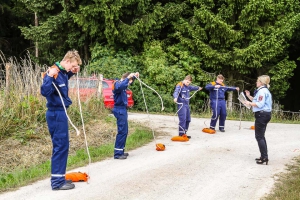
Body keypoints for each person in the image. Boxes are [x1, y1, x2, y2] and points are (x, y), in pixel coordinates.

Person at [41, 50, 82, 190]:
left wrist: (73, 71)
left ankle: (60, 178)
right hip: (56, 114)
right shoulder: (53, 72)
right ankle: (57, 183)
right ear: (67, 61)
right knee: (60, 146)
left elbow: (65, 76)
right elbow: (44, 92)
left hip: (61, 113)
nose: (72, 68)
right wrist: (49, 77)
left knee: (63, 146)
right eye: (73, 65)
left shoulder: (63, 72)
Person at [244, 75, 272, 165]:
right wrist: (249, 97)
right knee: (261, 136)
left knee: (259, 137)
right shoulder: (263, 91)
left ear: (261, 82)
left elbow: (259, 104)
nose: (256, 82)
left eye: (257, 81)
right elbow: (257, 100)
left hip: (262, 114)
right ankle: (263, 155)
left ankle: (264, 157)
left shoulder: (262, 91)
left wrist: (249, 103)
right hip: (264, 114)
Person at [113, 72, 139, 159]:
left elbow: (125, 85)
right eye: (129, 82)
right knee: (122, 131)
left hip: (123, 109)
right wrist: (129, 78)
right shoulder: (117, 84)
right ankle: (117, 153)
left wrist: (134, 77)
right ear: (125, 79)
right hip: (119, 109)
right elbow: (121, 86)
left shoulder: (123, 84)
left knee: (125, 131)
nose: (129, 84)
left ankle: (121, 151)